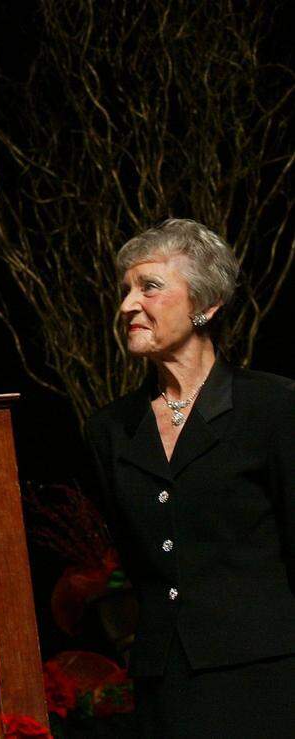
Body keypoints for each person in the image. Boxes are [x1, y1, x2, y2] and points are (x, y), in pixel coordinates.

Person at [86, 218, 295, 737]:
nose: (128, 305)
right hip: (165, 683)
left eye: (150, 287)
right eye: (127, 290)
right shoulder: (109, 430)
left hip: (267, 676)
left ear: (205, 305)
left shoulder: (273, 406)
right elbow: (135, 559)